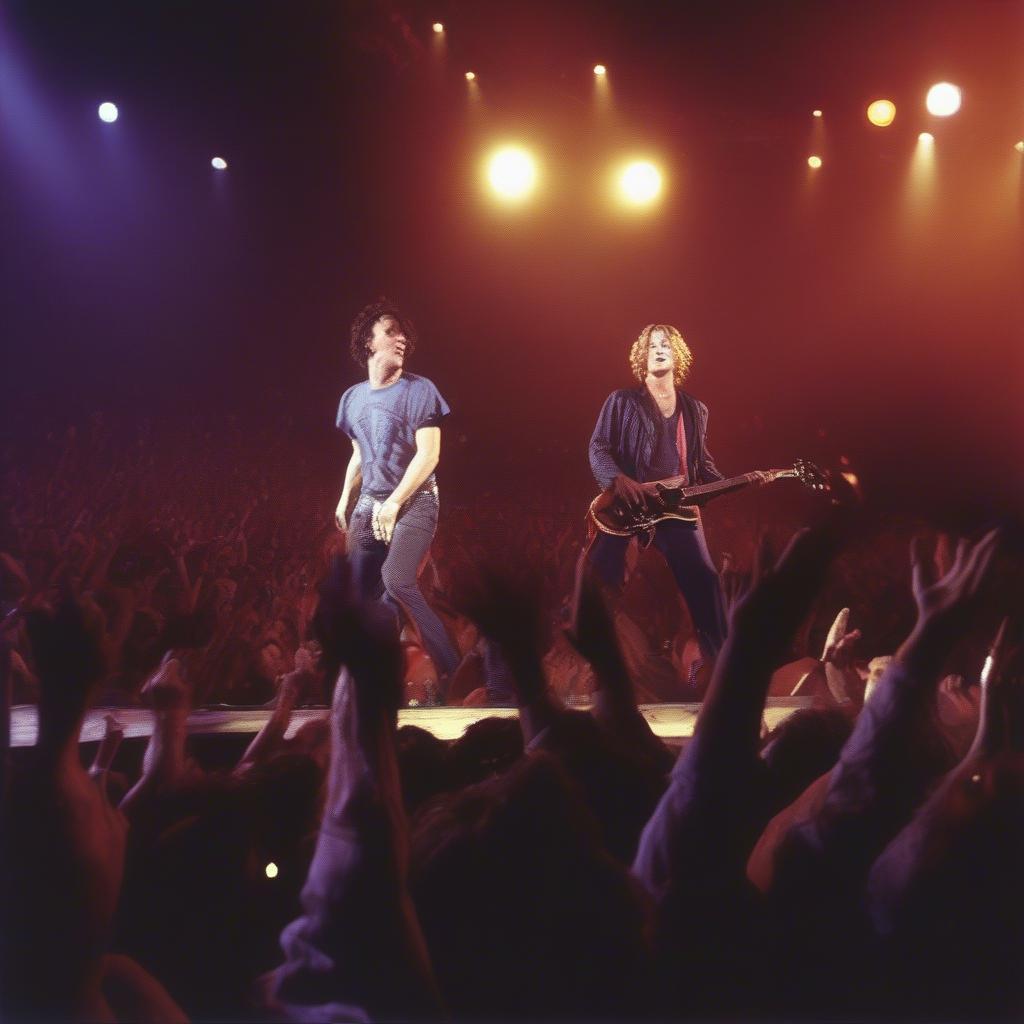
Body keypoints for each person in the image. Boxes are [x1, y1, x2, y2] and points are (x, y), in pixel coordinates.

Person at [584, 323, 728, 681]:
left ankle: (725, 671)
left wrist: (736, 483)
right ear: (641, 357)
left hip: (676, 508)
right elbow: (598, 447)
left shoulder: (696, 410)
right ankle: (593, 671)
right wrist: (618, 480)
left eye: (665, 344)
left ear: (677, 353)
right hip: (629, 507)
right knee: (601, 582)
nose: (659, 349)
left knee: (705, 581)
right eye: (651, 346)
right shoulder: (621, 401)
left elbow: (702, 464)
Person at [334, 300, 460, 700]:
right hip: (369, 501)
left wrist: (394, 503)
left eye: (403, 333)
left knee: (398, 580)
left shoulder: (421, 390)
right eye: (390, 331)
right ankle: (370, 683)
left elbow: (429, 455)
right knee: (360, 597)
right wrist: (344, 497)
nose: (401, 338)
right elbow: (360, 452)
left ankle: (455, 670)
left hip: (416, 499)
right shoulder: (351, 398)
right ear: (368, 343)